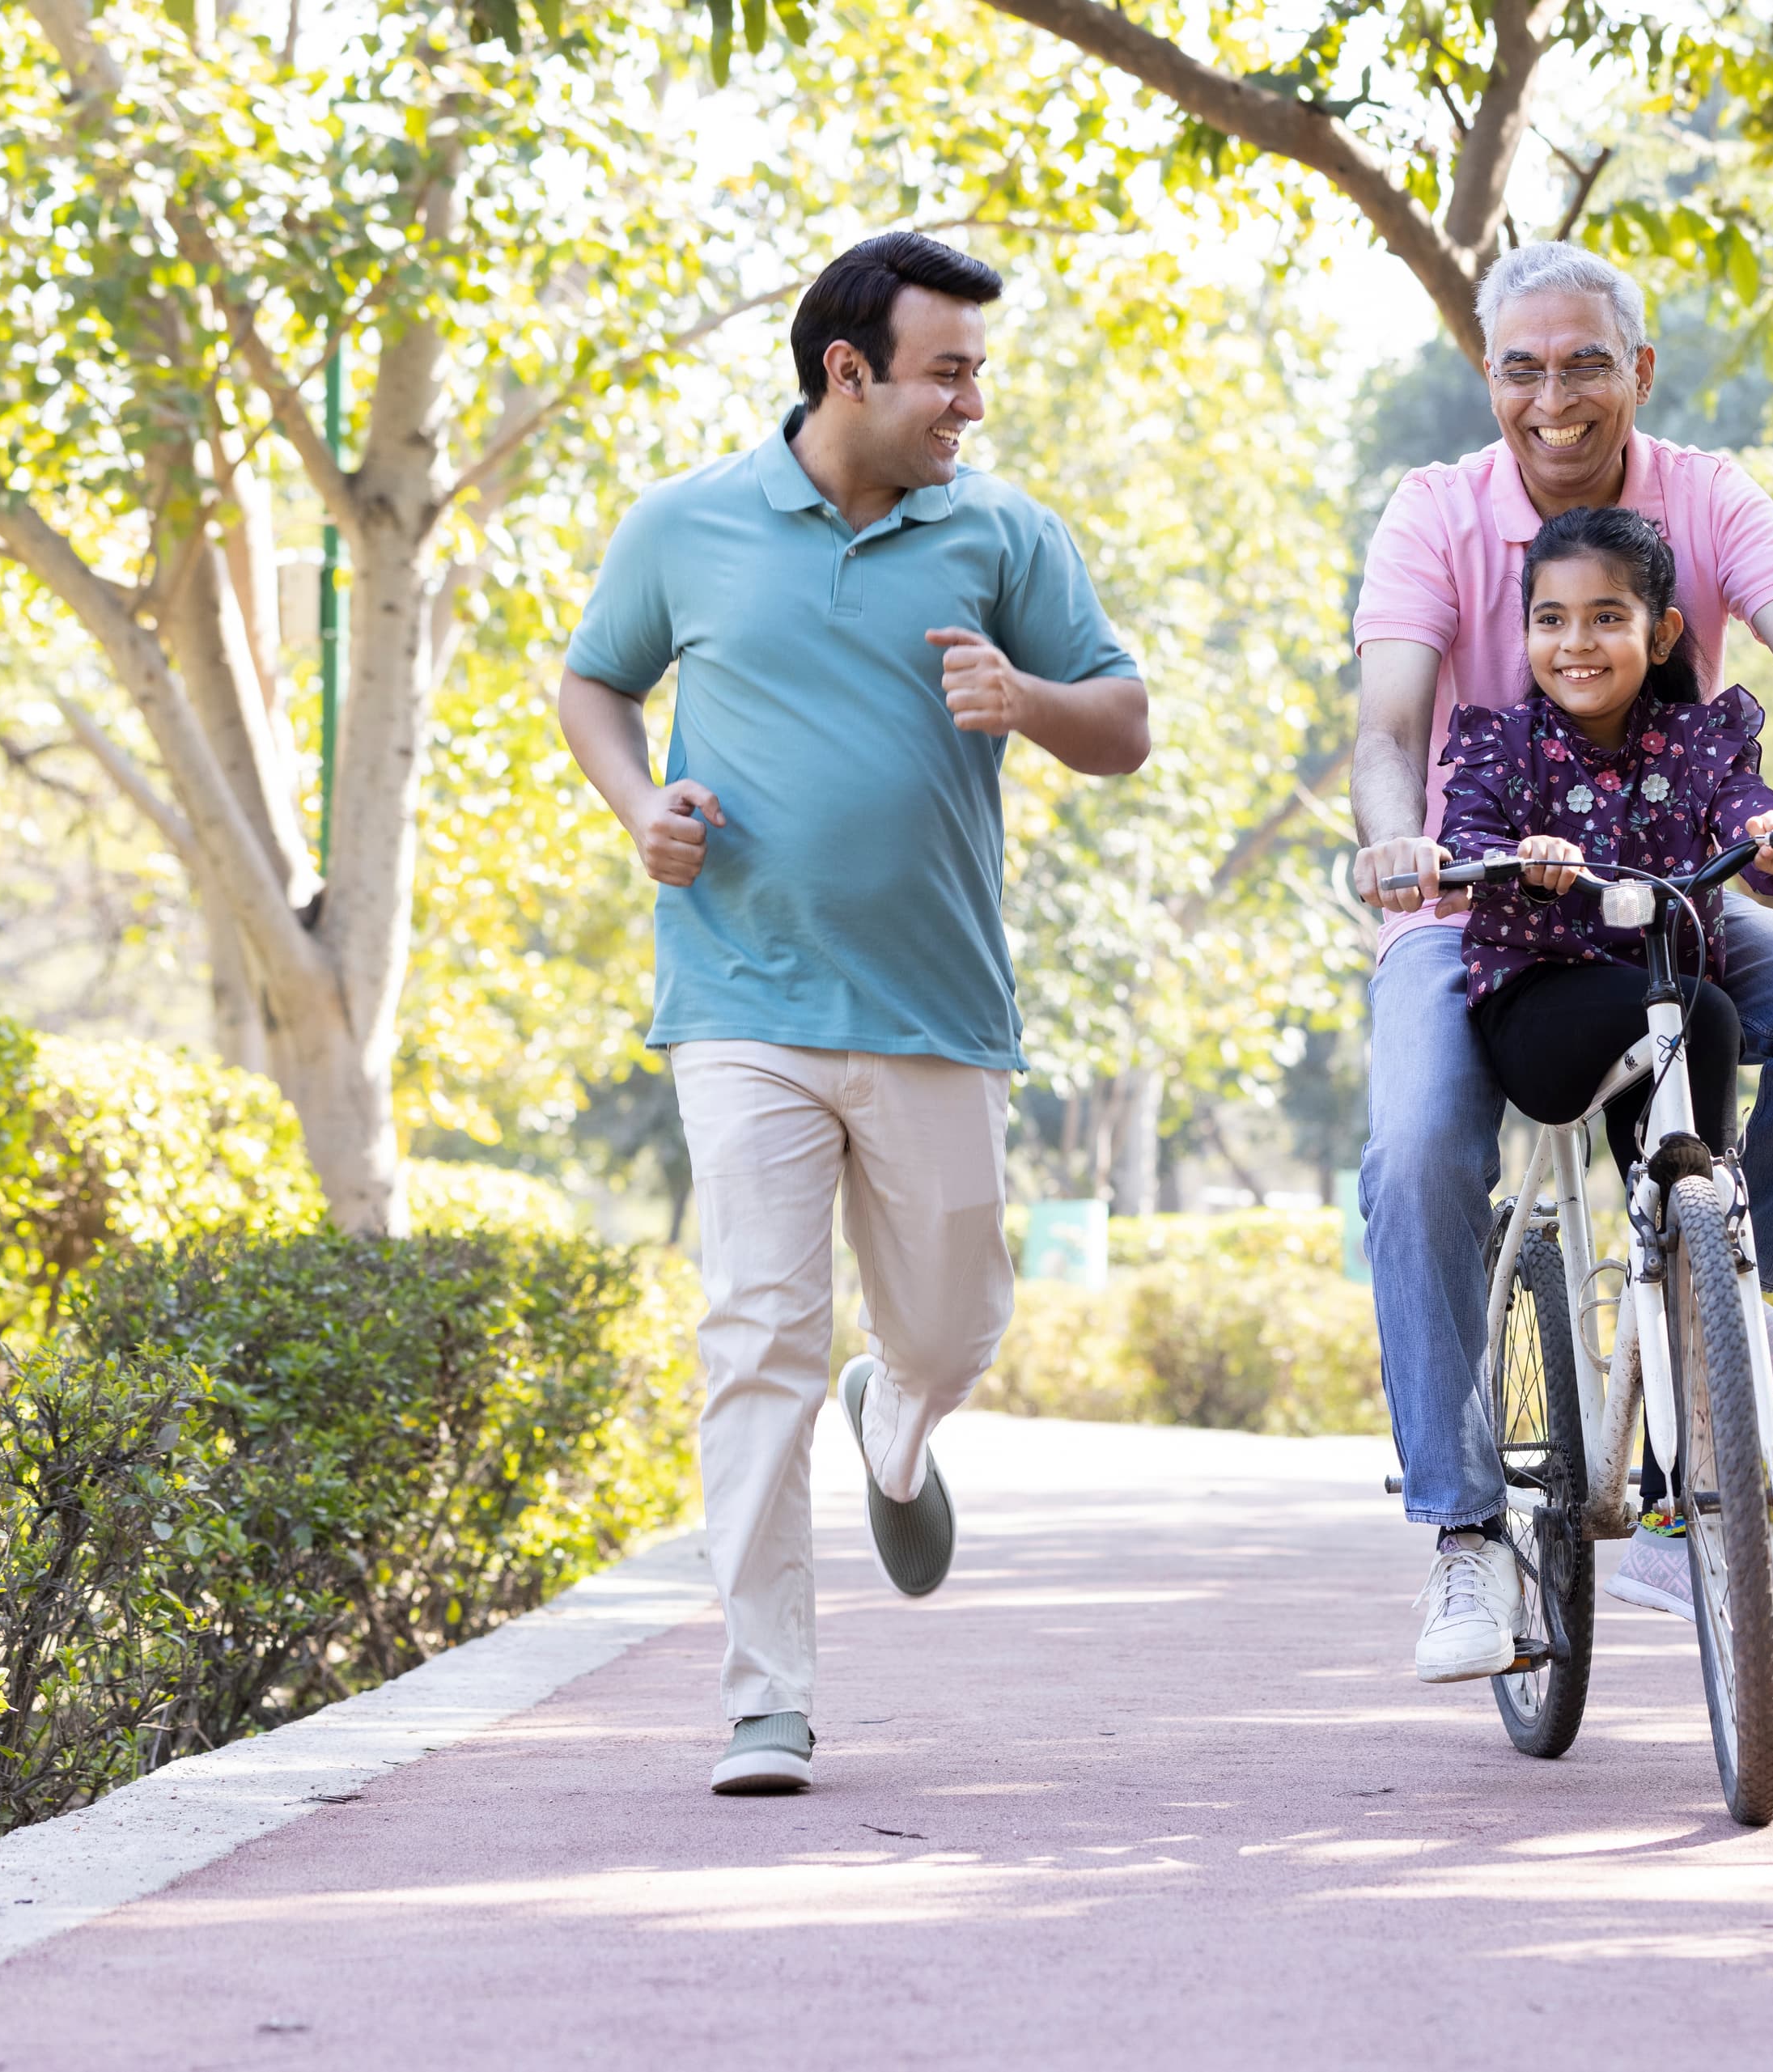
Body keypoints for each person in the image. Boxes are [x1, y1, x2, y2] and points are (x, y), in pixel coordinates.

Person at [556, 231, 1148, 1795]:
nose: (974, 402)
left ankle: (902, 1415)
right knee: (756, 1334)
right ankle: (766, 1697)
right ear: (848, 370)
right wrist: (640, 808)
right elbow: (594, 685)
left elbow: (1125, 722)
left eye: (976, 370)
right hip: (738, 998)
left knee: (955, 1320)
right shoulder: (687, 525)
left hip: (934, 1006)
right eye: (949, 370)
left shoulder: (1003, 532)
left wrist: (1025, 702)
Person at [1351, 241, 1773, 1684]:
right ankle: (1464, 1539)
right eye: (1521, 368)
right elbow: (1385, 729)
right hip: (1472, 906)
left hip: (1662, 887)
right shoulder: (1436, 512)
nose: (1553, 398)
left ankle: (1720, 1319)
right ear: (1489, 376)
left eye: (1585, 364)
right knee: (1420, 1148)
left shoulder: (1709, 493)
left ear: (1639, 373)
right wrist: (1392, 849)